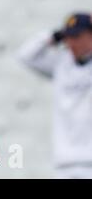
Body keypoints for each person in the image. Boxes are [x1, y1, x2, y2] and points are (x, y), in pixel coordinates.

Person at [18, 12, 92, 179]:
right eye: (69, 37)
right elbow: (25, 55)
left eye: (78, 36)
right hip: (65, 161)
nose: (72, 42)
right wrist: (54, 36)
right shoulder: (61, 63)